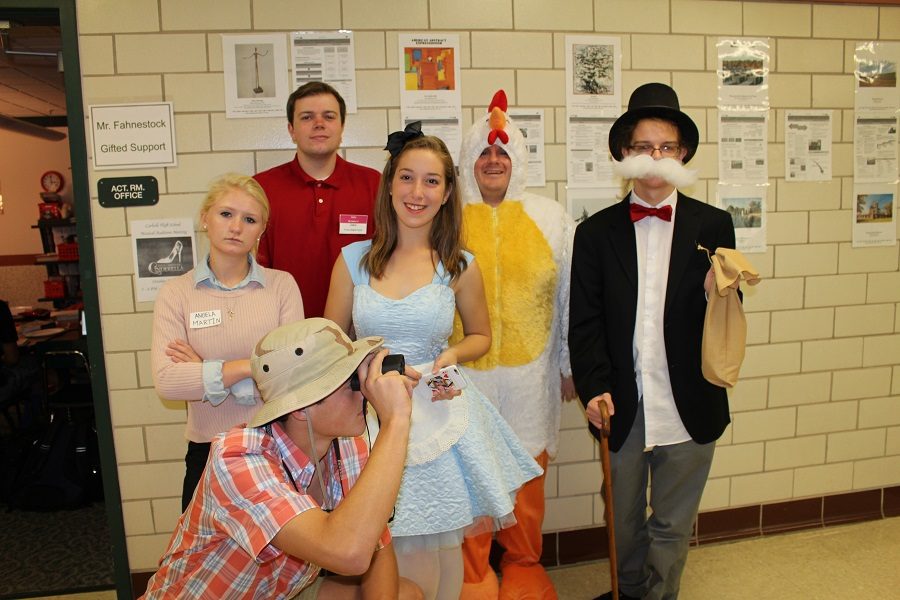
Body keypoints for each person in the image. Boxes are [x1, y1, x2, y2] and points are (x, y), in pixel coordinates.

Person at [323, 124, 542, 600]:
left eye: (431, 181)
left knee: (436, 551)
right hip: (369, 415)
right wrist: (364, 367)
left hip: (435, 410)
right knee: (376, 543)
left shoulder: (459, 264)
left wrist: (453, 353)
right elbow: (331, 345)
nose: (416, 192)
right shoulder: (352, 260)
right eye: (406, 178)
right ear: (389, 185)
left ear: (446, 194)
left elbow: (481, 336)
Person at [569, 82, 737, 600]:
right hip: (621, 399)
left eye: (666, 147)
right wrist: (593, 386)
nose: (655, 159)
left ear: (682, 153)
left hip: (690, 397)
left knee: (672, 522)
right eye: (643, 147)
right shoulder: (595, 232)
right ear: (625, 154)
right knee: (623, 521)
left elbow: (726, 317)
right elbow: (585, 321)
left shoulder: (714, 223)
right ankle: (630, 591)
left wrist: (721, 294)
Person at [142, 317, 424, 599]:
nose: (363, 391)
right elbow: (348, 553)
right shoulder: (238, 459)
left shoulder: (348, 448)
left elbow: (377, 545)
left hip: (279, 593)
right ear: (301, 407)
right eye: (348, 381)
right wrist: (395, 421)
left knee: (406, 594)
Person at [453, 90, 576, 600]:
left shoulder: (552, 219)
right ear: (468, 161)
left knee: (526, 468)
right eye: (483, 152)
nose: (494, 161)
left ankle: (524, 563)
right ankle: (474, 571)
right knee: (471, 470)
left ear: (519, 158)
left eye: (503, 152)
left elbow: (571, 293)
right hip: (465, 375)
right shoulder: (446, 217)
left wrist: (569, 362)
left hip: (532, 375)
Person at [151, 173, 304, 511]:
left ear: (261, 230)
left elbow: (292, 378)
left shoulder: (282, 287)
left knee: (275, 562)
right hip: (207, 451)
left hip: (273, 445)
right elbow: (167, 382)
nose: (236, 226)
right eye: (226, 214)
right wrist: (250, 371)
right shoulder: (176, 294)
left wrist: (205, 373)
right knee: (204, 561)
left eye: (249, 219)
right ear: (205, 218)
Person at [254, 81, 380, 318]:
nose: (319, 124)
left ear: (342, 127)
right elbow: (251, 267)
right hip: (284, 329)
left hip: (358, 333)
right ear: (291, 129)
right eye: (307, 117)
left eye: (329, 116)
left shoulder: (374, 184)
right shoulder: (261, 188)